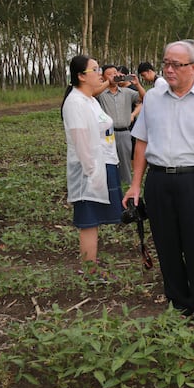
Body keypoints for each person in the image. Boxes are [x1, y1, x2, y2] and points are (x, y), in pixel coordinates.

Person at [124, 41, 194, 323]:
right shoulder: (154, 99)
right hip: (159, 181)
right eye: (166, 63)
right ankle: (180, 305)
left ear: (193, 67)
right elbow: (142, 143)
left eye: (176, 64)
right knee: (166, 243)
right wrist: (136, 184)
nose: (168, 70)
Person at [61, 55, 123, 271]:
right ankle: (89, 269)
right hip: (90, 169)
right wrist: (92, 173)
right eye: (95, 70)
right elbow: (81, 143)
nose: (101, 74)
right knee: (89, 219)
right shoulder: (75, 103)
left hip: (103, 163)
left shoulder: (90, 100)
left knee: (95, 217)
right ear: (80, 76)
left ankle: (92, 262)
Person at [97, 65, 142, 185]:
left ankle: (127, 187)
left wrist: (137, 84)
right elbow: (91, 94)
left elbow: (144, 98)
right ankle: (110, 187)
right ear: (103, 77)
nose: (114, 76)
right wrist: (107, 83)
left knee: (125, 163)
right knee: (108, 162)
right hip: (106, 134)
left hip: (124, 133)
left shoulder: (127, 92)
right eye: (109, 74)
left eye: (115, 73)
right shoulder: (100, 93)